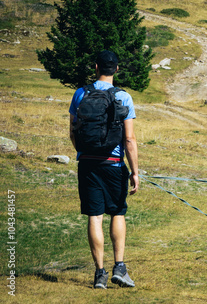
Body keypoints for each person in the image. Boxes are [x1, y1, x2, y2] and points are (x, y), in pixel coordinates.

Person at [69, 50, 139, 289]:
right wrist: (135, 171)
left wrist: (84, 151)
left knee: (94, 216)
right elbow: (129, 140)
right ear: (116, 69)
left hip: (87, 163)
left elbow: (73, 130)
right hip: (114, 163)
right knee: (117, 213)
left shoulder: (80, 93)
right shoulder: (124, 97)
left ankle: (100, 274)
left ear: (96, 67)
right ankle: (119, 267)